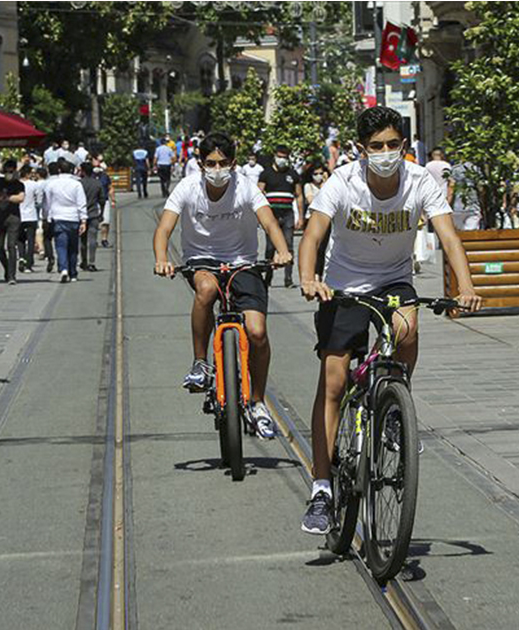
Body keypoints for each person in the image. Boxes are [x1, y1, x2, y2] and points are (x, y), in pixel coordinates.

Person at [296, 107, 483, 535]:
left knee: (407, 328)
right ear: (361, 149)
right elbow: (313, 234)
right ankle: (322, 488)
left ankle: (396, 403)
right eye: (376, 146)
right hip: (343, 284)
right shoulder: (343, 182)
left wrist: (465, 287)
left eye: (393, 145)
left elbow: (448, 236)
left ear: (405, 145)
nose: (385, 153)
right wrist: (309, 279)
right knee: (334, 381)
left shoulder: (420, 182)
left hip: (394, 279)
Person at [151, 132, 294, 440]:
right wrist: (162, 258)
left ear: (234, 162)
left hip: (243, 261)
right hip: (201, 260)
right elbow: (164, 227)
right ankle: (201, 363)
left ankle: (257, 402)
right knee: (206, 290)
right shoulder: (188, 187)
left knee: (256, 332)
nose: (217, 169)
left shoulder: (245, 187)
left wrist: (282, 250)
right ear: (200, 164)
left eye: (223, 163)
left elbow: (269, 222)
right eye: (210, 163)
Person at [257, 145, 303, 288]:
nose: (282, 159)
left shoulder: (293, 174)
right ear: (275, 156)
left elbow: (299, 195)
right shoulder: (266, 173)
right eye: (280, 156)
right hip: (272, 215)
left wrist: (300, 217)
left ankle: (288, 279)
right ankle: (268, 277)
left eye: (285, 157)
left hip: (288, 213)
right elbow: (258, 193)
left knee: (288, 245)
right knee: (270, 247)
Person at [41, 159, 88, 282]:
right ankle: (73, 273)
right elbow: (81, 202)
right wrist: (83, 220)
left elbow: (47, 203)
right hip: (73, 218)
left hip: (58, 217)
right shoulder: (77, 184)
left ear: (59, 170)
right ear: (72, 170)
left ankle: (63, 268)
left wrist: (45, 218)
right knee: (73, 247)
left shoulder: (51, 184)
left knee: (61, 245)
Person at [0, 160, 25, 284]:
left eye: (11, 171)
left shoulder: (19, 184)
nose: (9, 174)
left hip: (13, 218)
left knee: (11, 246)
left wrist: (7, 198)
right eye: (6, 171)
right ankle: (7, 268)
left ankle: (12, 275)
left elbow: (21, 197)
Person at [78, 162, 106, 271]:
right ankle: (92, 262)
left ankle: (83, 260)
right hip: (93, 213)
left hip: (81, 216)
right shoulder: (97, 183)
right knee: (93, 239)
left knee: (82, 240)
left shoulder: (79, 184)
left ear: (83, 171)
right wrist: (102, 213)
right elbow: (102, 200)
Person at [17, 165, 43, 274]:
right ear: (28, 174)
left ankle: (22, 257)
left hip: (19, 215)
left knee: (20, 239)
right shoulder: (34, 185)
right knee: (31, 239)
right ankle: (29, 263)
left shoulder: (16, 184)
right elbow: (39, 200)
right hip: (31, 215)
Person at [93, 155, 115, 248]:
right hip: (93, 201)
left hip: (104, 201)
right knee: (94, 223)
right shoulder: (89, 176)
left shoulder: (105, 176)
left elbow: (110, 188)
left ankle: (104, 239)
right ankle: (93, 240)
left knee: (105, 221)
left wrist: (113, 199)